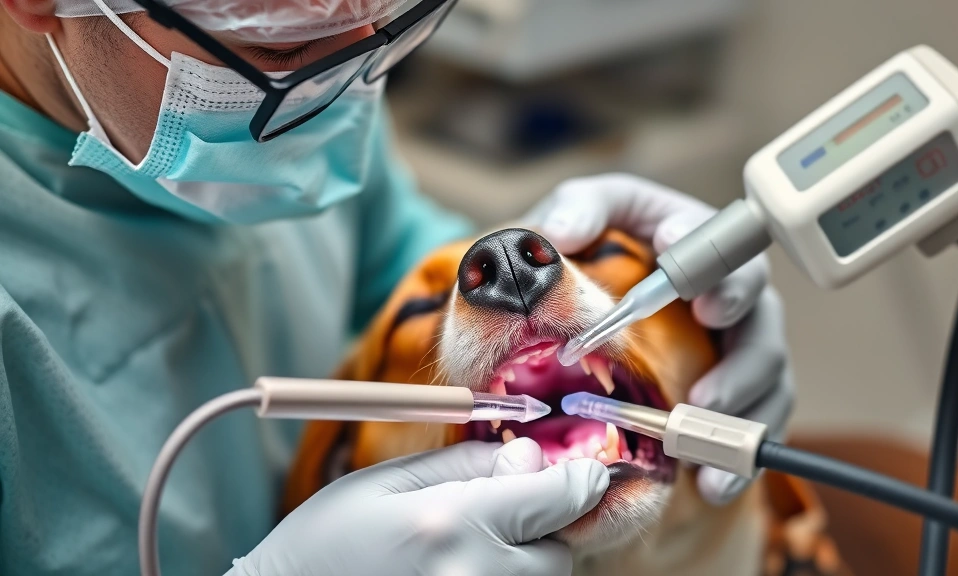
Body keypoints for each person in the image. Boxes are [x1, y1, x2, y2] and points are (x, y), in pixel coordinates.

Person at [0, 0, 794, 574]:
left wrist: (650, 297)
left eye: (386, 8)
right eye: (283, 41)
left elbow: (412, 277)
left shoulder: (316, 85)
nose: (349, 78)